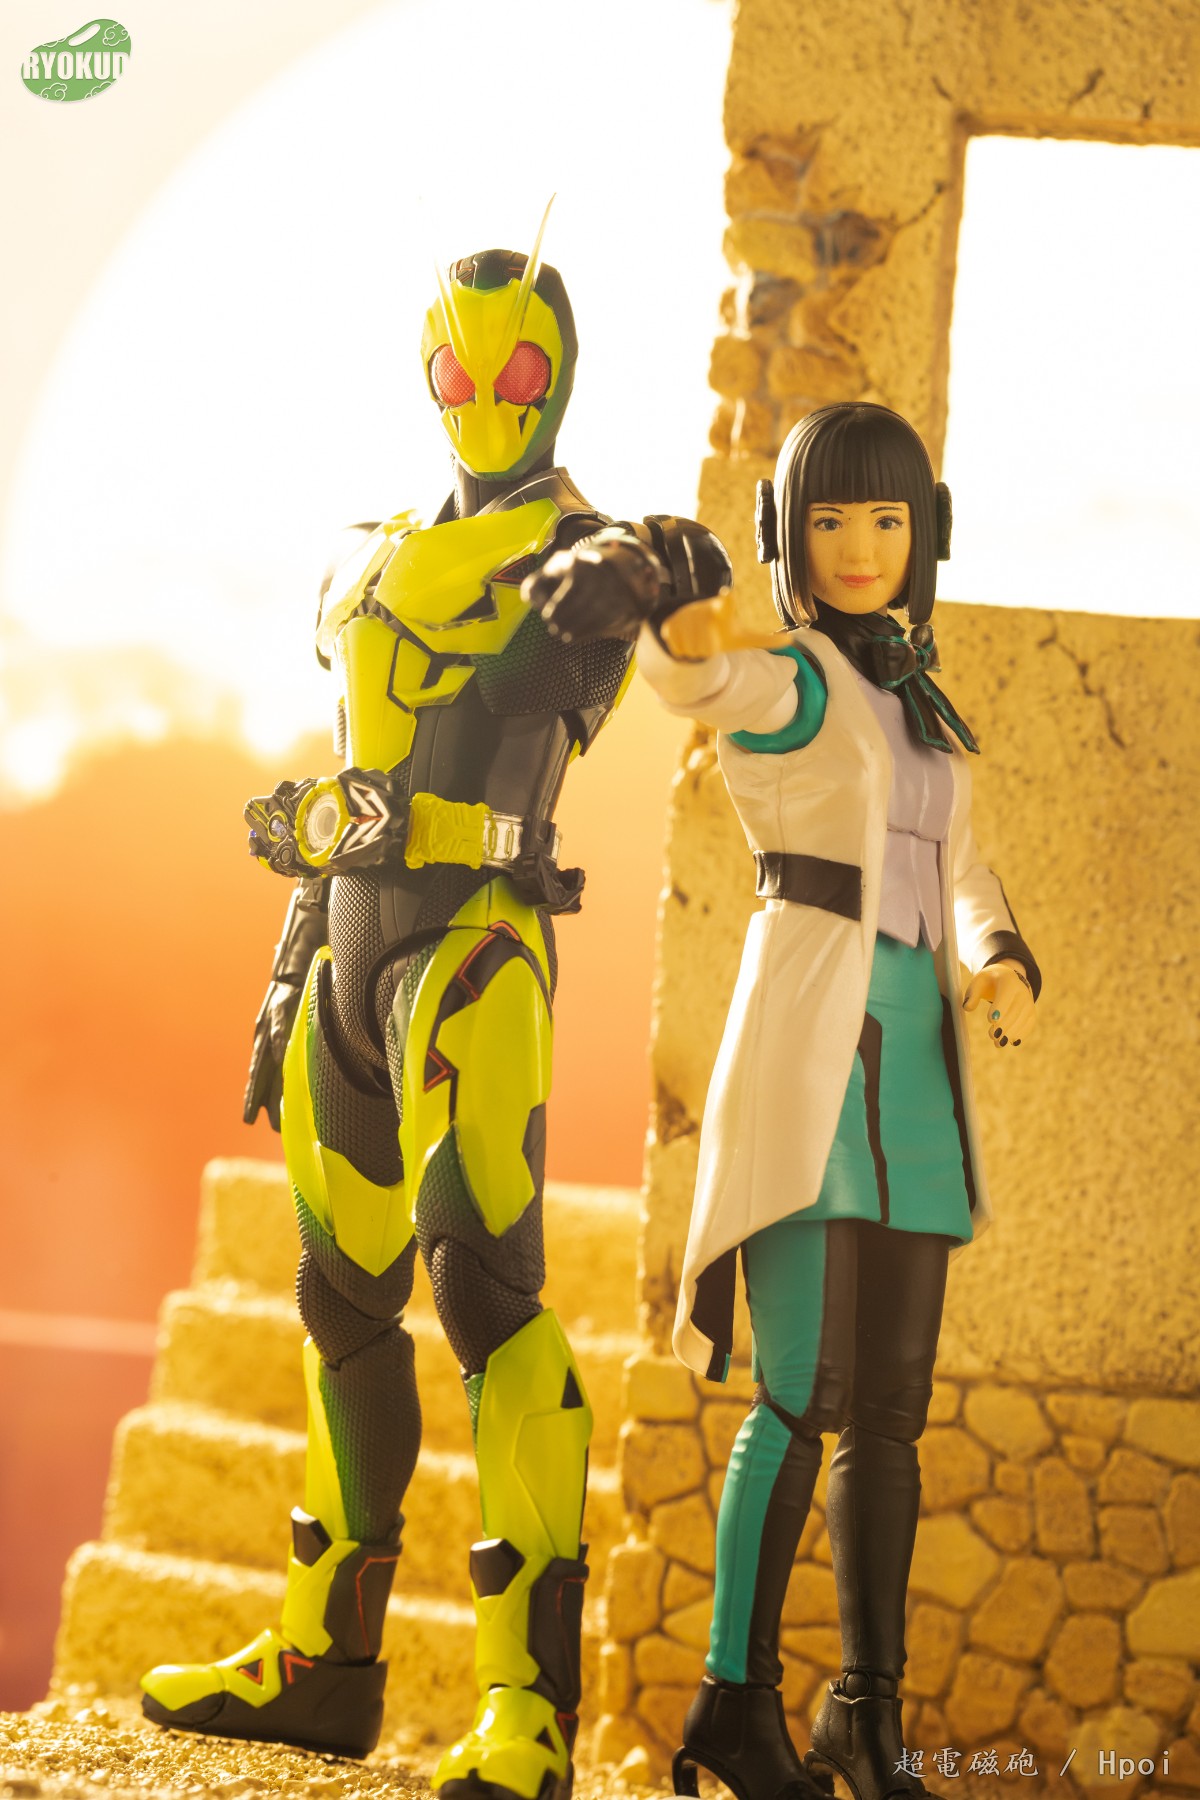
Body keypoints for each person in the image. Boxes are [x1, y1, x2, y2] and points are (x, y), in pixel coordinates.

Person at [138, 236, 730, 1800]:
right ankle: (323, 1664)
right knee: (341, 1300)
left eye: (516, 363)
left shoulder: (582, 553)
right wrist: (288, 972)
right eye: (460, 365)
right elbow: (357, 778)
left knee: (487, 1294)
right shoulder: (377, 551)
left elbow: (556, 683)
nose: (486, 390)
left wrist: (636, 578)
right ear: (425, 369)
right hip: (346, 945)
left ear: (562, 371)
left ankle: (524, 1710)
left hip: (475, 946)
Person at [527, 402, 1040, 1800]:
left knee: (893, 1412)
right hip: (817, 1056)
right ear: (788, 536)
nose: (861, 546)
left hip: (917, 1077)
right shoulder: (802, 680)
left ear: (925, 533)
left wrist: (997, 956)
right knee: (800, 1393)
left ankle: (864, 1716)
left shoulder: (924, 706)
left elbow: (963, 865)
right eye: (830, 520)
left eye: (888, 519)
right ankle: (732, 1701)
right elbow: (712, 683)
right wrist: (661, 605)